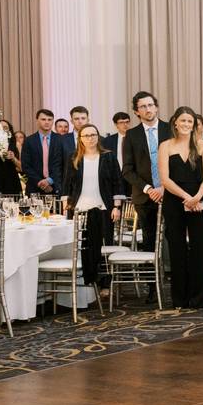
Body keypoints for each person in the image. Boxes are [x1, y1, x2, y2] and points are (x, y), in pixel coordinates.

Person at [158, 107, 203, 309]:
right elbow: (165, 179)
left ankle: (199, 298)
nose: (186, 125)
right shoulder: (165, 146)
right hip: (174, 200)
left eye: (190, 121)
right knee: (177, 248)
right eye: (183, 121)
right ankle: (180, 298)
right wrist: (186, 198)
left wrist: (197, 197)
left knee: (200, 248)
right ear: (175, 123)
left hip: (199, 199)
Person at [62, 123, 123, 297]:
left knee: (104, 247)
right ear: (80, 139)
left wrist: (116, 206)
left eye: (93, 135)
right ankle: (87, 286)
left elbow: (117, 182)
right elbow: (67, 183)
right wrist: (66, 204)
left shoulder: (108, 157)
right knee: (84, 247)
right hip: (80, 210)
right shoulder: (74, 158)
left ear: (98, 137)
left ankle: (105, 284)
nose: (90, 138)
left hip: (104, 208)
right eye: (86, 135)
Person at [122, 91, 171, 252]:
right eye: (143, 106)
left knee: (173, 237)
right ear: (136, 112)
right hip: (144, 197)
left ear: (156, 108)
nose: (148, 109)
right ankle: (154, 275)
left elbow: (178, 165)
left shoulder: (170, 129)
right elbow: (127, 170)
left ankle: (173, 274)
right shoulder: (131, 135)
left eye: (150, 105)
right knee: (150, 240)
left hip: (171, 192)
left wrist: (164, 187)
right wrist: (149, 189)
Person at [21, 109, 64, 195]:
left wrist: (49, 181)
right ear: (37, 120)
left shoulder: (61, 140)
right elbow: (26, 166)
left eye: (49, 119)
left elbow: (62, 164)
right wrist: (41, 182)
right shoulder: (29, 141)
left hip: (55, 187)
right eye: (43, 119)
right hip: (34, 187)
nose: (47, 122)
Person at [102, 112, 132, 197]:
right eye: (121, 123)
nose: (125, 125)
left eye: (127, 122)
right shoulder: (108, 141)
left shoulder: (136, 138)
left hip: (132, 176)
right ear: (116, 124)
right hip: (115, 177)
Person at [0, 119, 22, 196]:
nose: (2, 130)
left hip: (11, 179)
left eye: (5, 127)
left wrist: (13, 158)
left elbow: (22, 167)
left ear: (10, 130)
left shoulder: (16, 144)